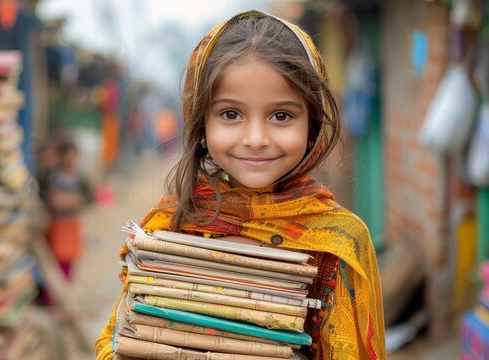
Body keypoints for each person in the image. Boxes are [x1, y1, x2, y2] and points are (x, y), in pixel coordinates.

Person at [95, 10, 385, 359]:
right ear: (201, 121)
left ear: (312, 122)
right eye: (231, 114)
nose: (256, 138)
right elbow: (116, 338)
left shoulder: (337, 244)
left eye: (281, 115)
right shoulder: (170, 225)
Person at [45, 140, 91, 282]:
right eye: (67, 156)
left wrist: (65, 201)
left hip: (72, 224)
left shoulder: (80, 178)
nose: (70, 159)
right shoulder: (54, 177)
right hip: (58, 225)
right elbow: (54, 201)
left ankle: (67, 287)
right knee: (56, 260)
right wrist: (71, 201)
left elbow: (83, 200)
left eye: (73, 156)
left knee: (70, 260)